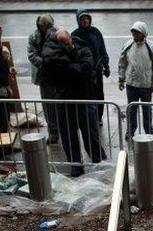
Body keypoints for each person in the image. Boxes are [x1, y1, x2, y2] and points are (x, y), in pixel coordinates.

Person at [41, 29, 106, 176]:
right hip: (65, 102)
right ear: (59, 43)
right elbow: (52, 72)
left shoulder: (82, 47)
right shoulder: (51, 51)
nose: (68, 46)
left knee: (92, 136)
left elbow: (86, 68)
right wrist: (74, 71)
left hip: (84, 100)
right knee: (69, 139)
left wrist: (67, 69)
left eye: (69, 42)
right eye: (64, 44)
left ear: (71, 38)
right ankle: (76, 166)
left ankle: (100, 163)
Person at [118, 21, 153, 139]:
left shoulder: (151, 46)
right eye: (133, 32)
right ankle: (131, 130)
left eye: (137, 32)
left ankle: (149, 131)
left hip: (146, 86)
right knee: (131, 109)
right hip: (131, 85)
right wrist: (121, 79)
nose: (134, 35)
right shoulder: (128, 45)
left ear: (143, 33)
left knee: (146, 110)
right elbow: (122, 63)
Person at [72, 9, 110, 125]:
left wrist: (106, 65)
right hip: (83, 71)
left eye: (87, 19)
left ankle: (98, 116)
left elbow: (102, 49)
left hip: (97, 69)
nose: (85, 21)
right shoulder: (74, 35)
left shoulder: (96, 32)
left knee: (99, 93)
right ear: (78, 21)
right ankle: (87, 116)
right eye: (82, 19)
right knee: (86, 94)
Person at [27, 14, 58, 142]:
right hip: (44, 76)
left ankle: (64, 127)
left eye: (51, 26)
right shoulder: (34, 37)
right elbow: (32, 55)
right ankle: (53, 131)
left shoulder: (57, 34)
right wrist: (45, 64)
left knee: (61, 103)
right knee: (48, 105)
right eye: (47, 26)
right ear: (40, 26)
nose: (49, 28)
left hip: (57, 75)